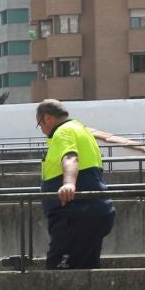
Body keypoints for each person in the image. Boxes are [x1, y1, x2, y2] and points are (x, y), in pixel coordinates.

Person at [35, 100, 116, 270]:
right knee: (85, 271)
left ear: (47, 118)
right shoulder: (82, 130)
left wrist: (68, 184)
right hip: (94, 212)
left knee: (59, 274)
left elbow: (70, 157)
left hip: (75, 216)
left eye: (39, 124)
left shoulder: (63, 132)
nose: (42, 131)